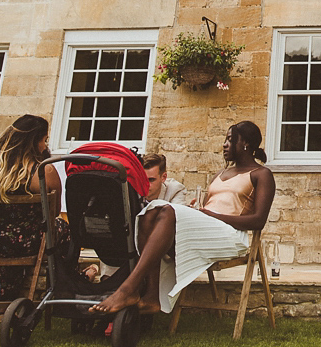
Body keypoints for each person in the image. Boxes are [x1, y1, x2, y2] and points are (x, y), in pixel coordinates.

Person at [91, 121, 275, 315]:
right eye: (225, 139)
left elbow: (258, 221)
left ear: (245, 143)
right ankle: (151, 297)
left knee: (165, 210)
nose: (224, 144)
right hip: (207, 229)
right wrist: (194, 212)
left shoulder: (262, 174)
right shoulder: (220, 174)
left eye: (230, 139)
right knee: (150, 212)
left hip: (231, 237)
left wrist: (212, 215)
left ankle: (128, 290)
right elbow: (206, 208)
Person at [0, 114, 63, 299]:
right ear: (34, 141)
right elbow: (53, 213)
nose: (45, 146)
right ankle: (61, 290)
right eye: (44, 140)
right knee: (62, 228)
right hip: (24, 245)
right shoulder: (42, 171)